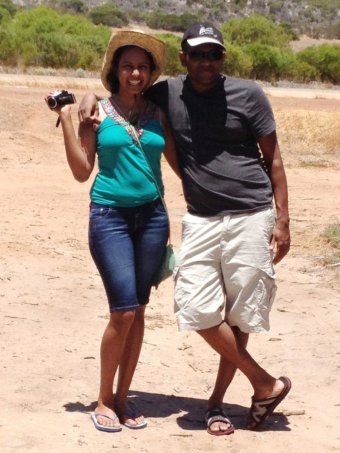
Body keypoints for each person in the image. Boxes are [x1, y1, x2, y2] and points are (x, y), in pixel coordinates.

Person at [78, 23, 292, 435]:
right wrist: (87, 99)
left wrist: (282, 219)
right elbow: (118, 94)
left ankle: (217, 405)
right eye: (198, 54)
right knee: (194, 307)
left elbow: (275, 160)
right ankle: (265, 383)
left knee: (238, 317)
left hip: (251, 213)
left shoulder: (249, 95)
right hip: (200, 217)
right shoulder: (167, 93)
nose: (206, 62)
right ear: (183, 59)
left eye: (214, 54)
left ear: (223, 58)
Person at [47, 30, 179, 433]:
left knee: (138, 311)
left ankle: (124, 398)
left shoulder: (159, 114)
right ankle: (104, 398)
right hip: (110, 218)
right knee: (122, 309)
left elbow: (178, 165)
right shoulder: (96, 113)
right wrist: (69, 117)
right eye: (127, 66)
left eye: (142, 66)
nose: (135, 73)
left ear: (151, 72)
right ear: (115, 71)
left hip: (153, 218)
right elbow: (81, 171)